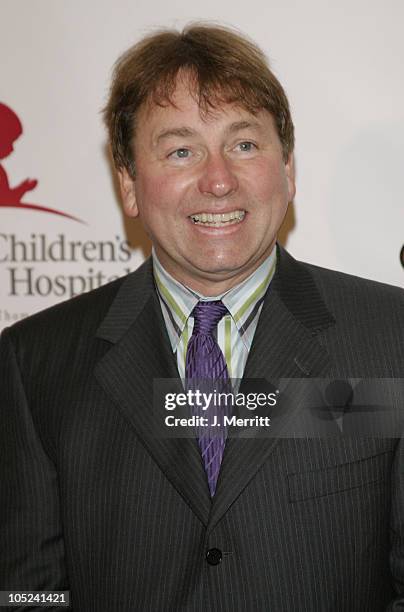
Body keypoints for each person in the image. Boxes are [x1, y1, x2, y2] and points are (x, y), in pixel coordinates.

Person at [1, 23, 403, 612]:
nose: (218, 181)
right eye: (181, 151)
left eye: (244, 145)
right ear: (130, 185)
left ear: (287, 171)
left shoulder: (392, 339)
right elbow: (24, 593)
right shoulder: (33, 362)